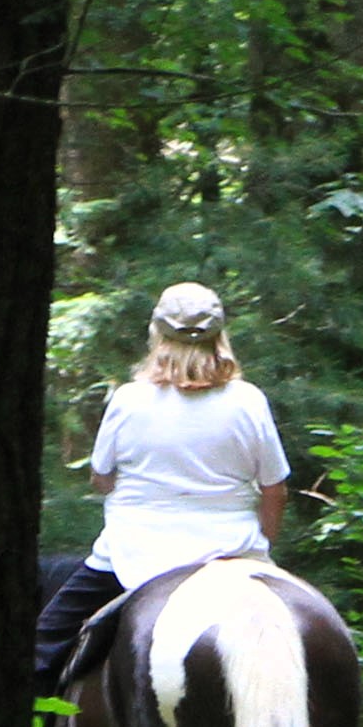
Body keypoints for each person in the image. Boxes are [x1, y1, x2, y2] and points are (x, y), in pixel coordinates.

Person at [32, 282, 295, 693]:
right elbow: (275, 489)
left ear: (157, 335)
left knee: (42, 644)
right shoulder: (249, 401)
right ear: (220, 337)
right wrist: (263, 544)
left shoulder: (128, 400)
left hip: (133, 556)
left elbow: (102, 480)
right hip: (233, 551)